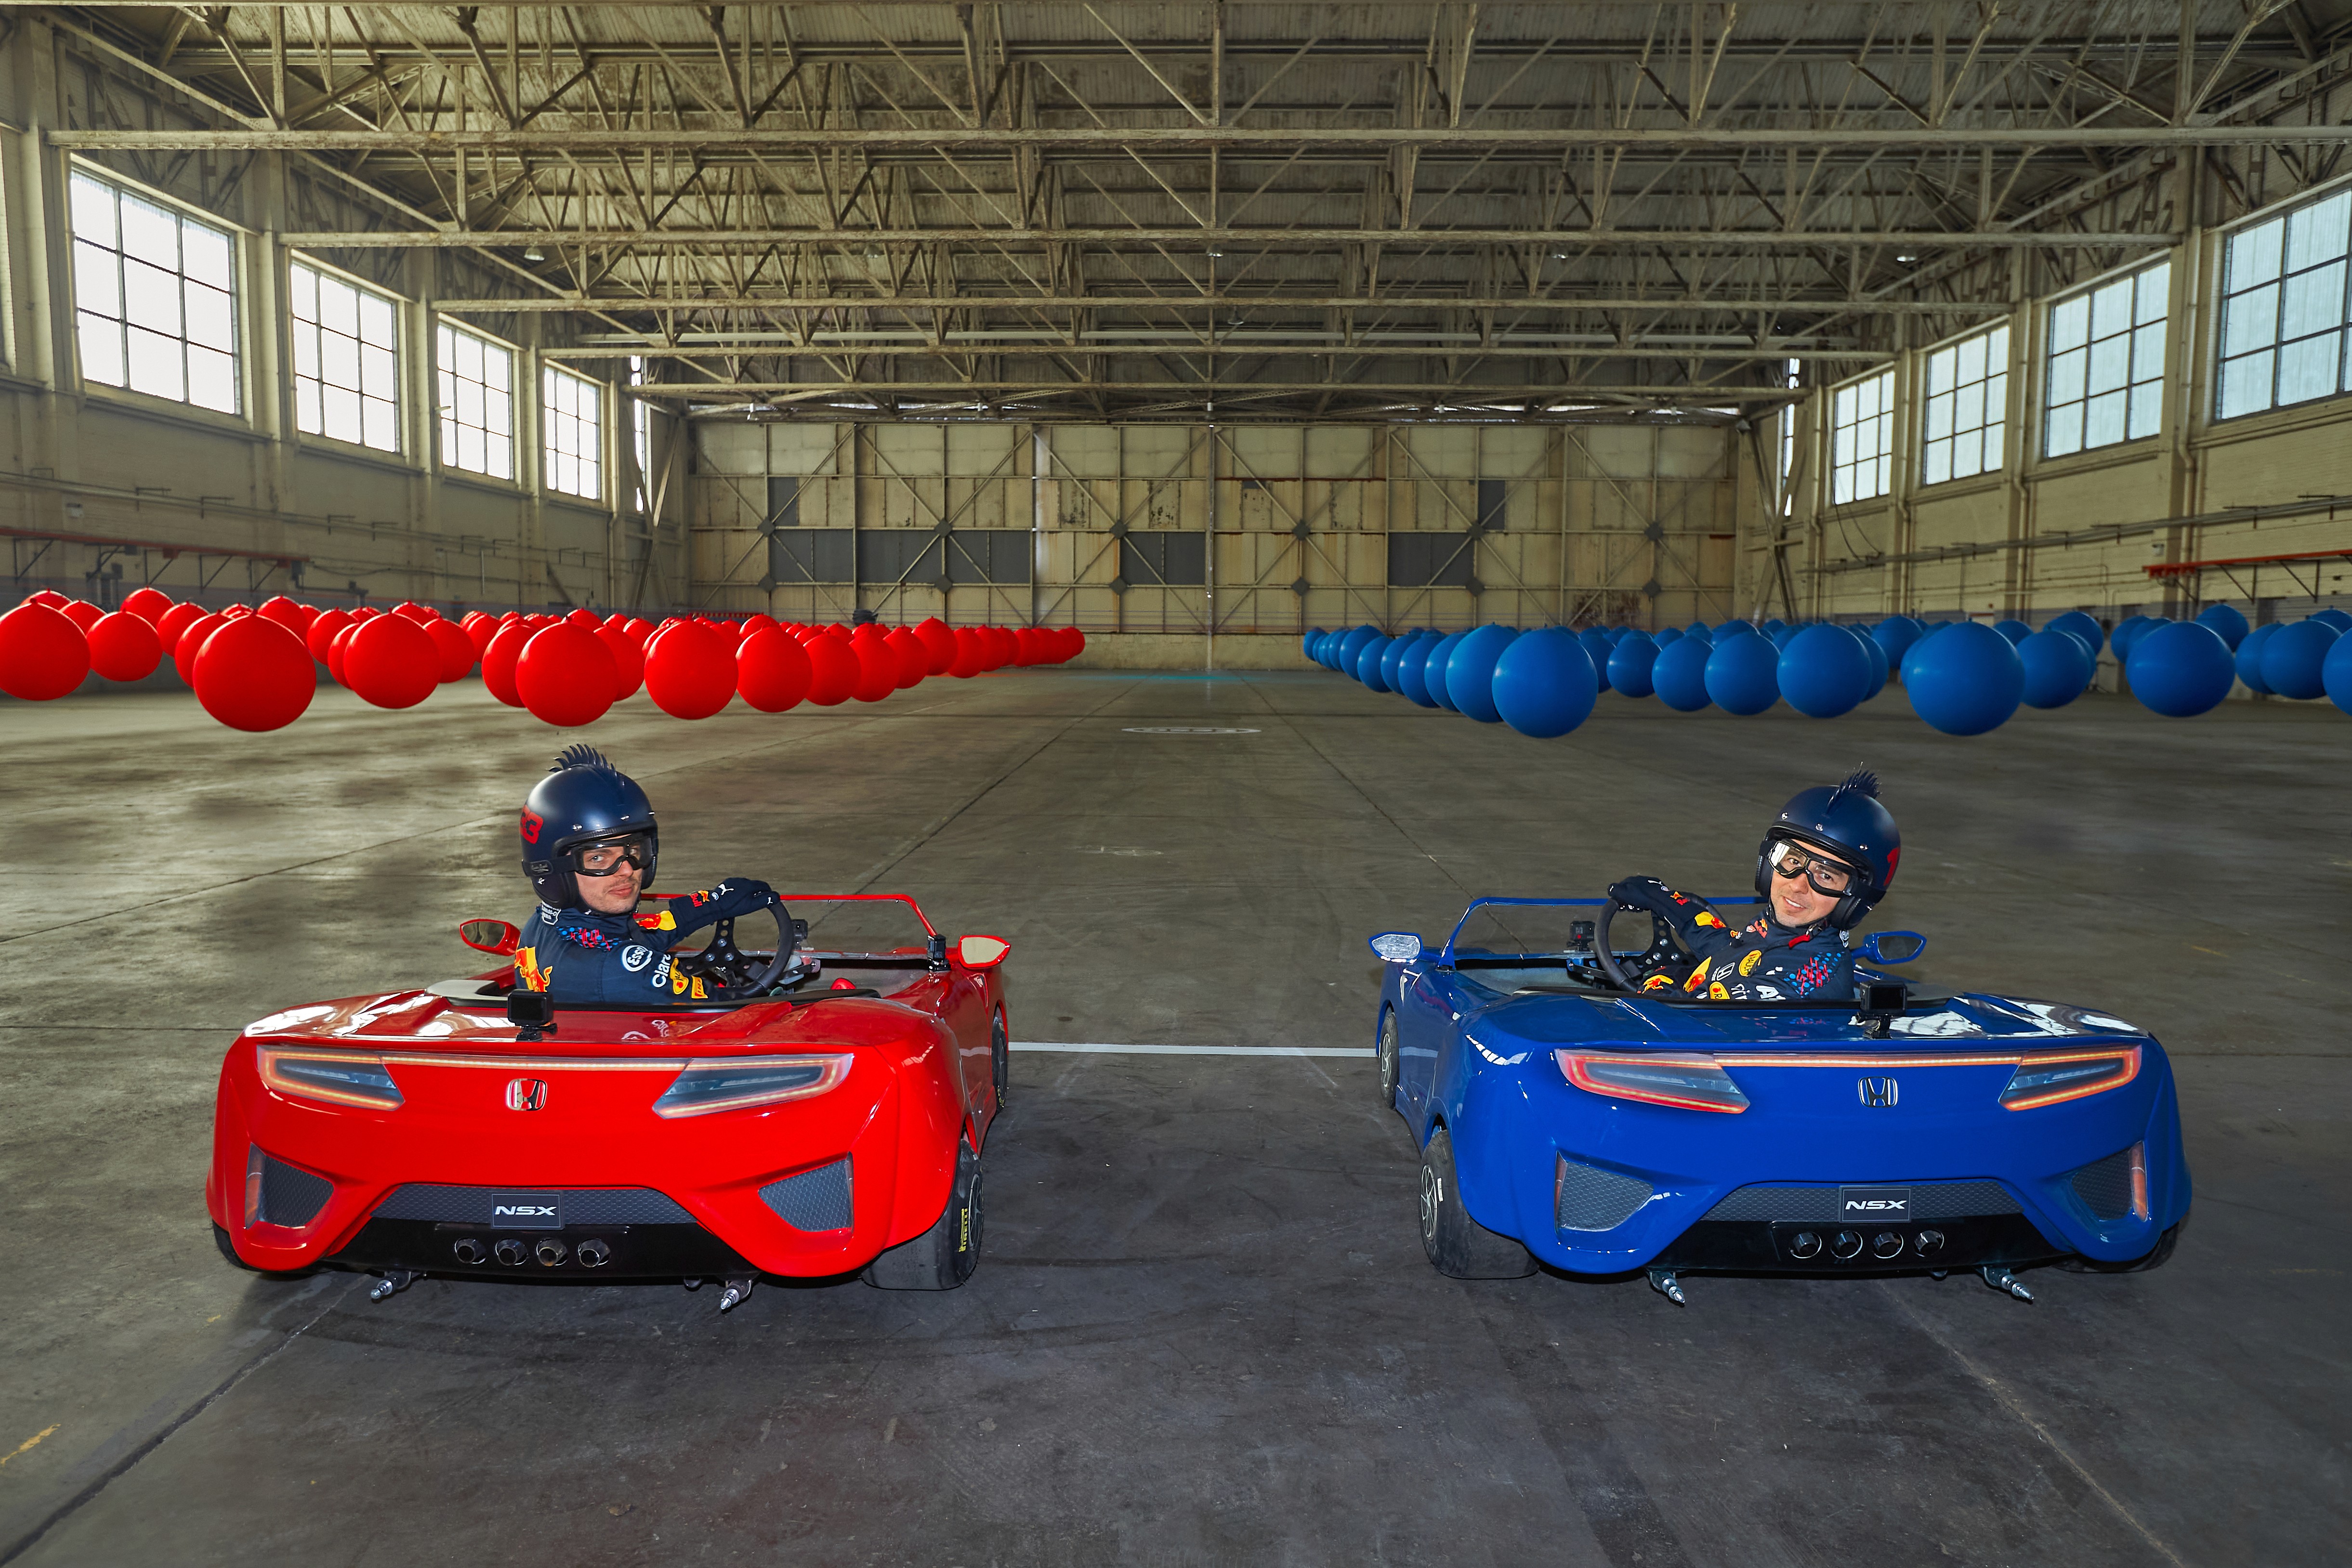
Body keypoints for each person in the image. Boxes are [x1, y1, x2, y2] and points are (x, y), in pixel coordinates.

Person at [513, 744, 784, 1004]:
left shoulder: (545, 927)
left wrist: (711, 904)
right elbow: (731, 1007)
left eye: (634, 850)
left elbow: (630, 939)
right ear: (552, 872)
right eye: (598, 858)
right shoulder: (619, 974)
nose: (629, 870)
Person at [1607, 769, 1899, 1003]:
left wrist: (1660, 985)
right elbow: (1732, 949)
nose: (1798, 886)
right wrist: (1665, 900)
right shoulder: (1783, 933)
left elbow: (1699, 1010)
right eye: (1793, 860)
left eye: (1825, 876)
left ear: (1855, 899)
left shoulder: (1812, 975)